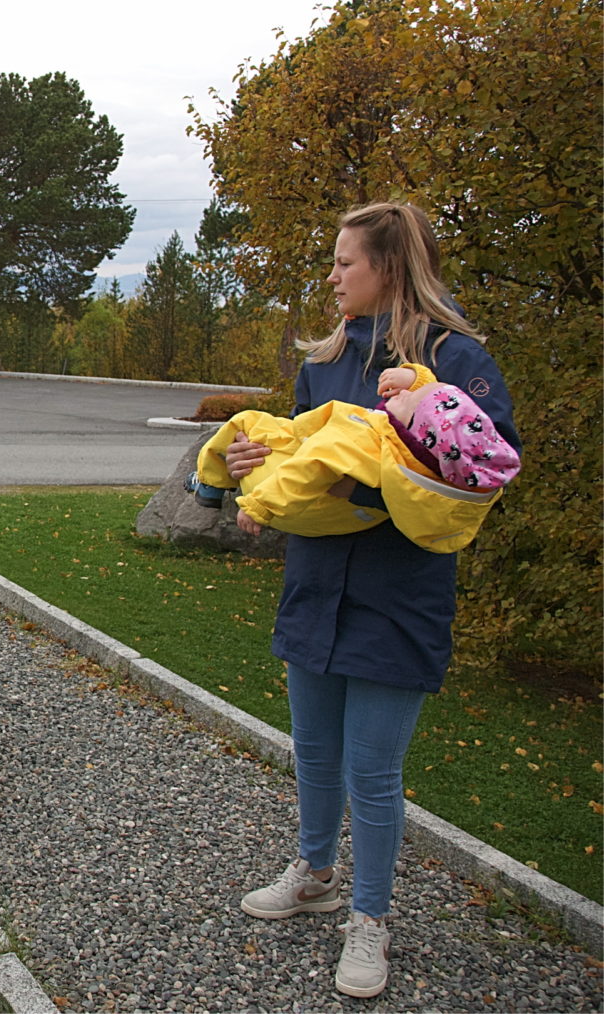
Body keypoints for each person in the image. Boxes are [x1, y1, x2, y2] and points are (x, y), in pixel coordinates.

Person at [226, 203, 520, 999]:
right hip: (317, 586)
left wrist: (413, 426)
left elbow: (488, 465)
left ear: (388, 268)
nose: (332, 276)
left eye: (344, 262)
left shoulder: (456, 359)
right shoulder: (323, 362)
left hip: (400, 595)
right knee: (315, 752)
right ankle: (316, 872)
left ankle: (371, 919)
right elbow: (297, 454)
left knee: (373, 770)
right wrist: (254, 460)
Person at [186, 362, 519, 551]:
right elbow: (447, 419)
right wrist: (417, 378)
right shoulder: (424, 465)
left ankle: (208, 484)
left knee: (244, 421)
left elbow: (312, 464)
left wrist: (261, 506)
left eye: (410, 396)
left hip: (287, 499)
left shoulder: (366, 438)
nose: (402, 394)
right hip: (341, 523)